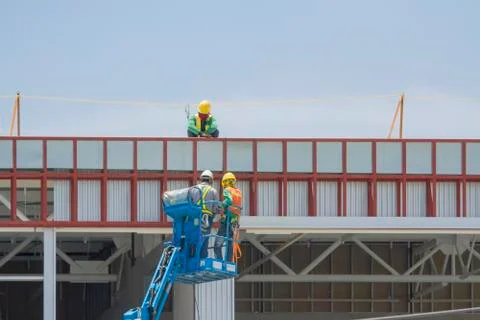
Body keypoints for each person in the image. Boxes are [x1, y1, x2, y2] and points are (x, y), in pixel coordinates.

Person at [189, 169, 220, 258]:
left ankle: (192, 256)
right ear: (211, 180)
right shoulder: (213, 191)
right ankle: (202, 259)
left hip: (194, 217)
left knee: (194, 237)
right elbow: (216, 208)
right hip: (206, 218)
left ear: (201, 179)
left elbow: (189, 203)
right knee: (204, 238)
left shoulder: (193, 189)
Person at [214, 172, 242, 261]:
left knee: (217, 245)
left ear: (224, 182)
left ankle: (219, 262)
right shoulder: (238, 192)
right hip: (234, 222)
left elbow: (229, 201)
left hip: (226, 221)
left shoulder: (227, 190)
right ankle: (228, 262)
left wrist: (221, 206)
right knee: (230, 243)